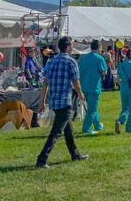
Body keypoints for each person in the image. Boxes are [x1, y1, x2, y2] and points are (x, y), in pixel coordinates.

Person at [35, 37, 87, 168]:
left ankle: (75, 154)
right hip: (65, 101)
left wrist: (42, 102)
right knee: (56, 132)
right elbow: (76, 82)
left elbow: (45, 83)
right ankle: (42, 159)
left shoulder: (51, 61)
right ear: (68, 47)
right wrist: (81, 95)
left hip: (54, 101)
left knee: (68, 129)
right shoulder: (71, 61)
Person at [78, 40, 107, 134]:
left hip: (84, 85)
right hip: (94, 86)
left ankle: (98, 125)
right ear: (99, 47)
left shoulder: (84, 58)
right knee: (92, 109)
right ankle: (86, 128)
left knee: (92, 107)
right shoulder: (100, 58)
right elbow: (104, 72)